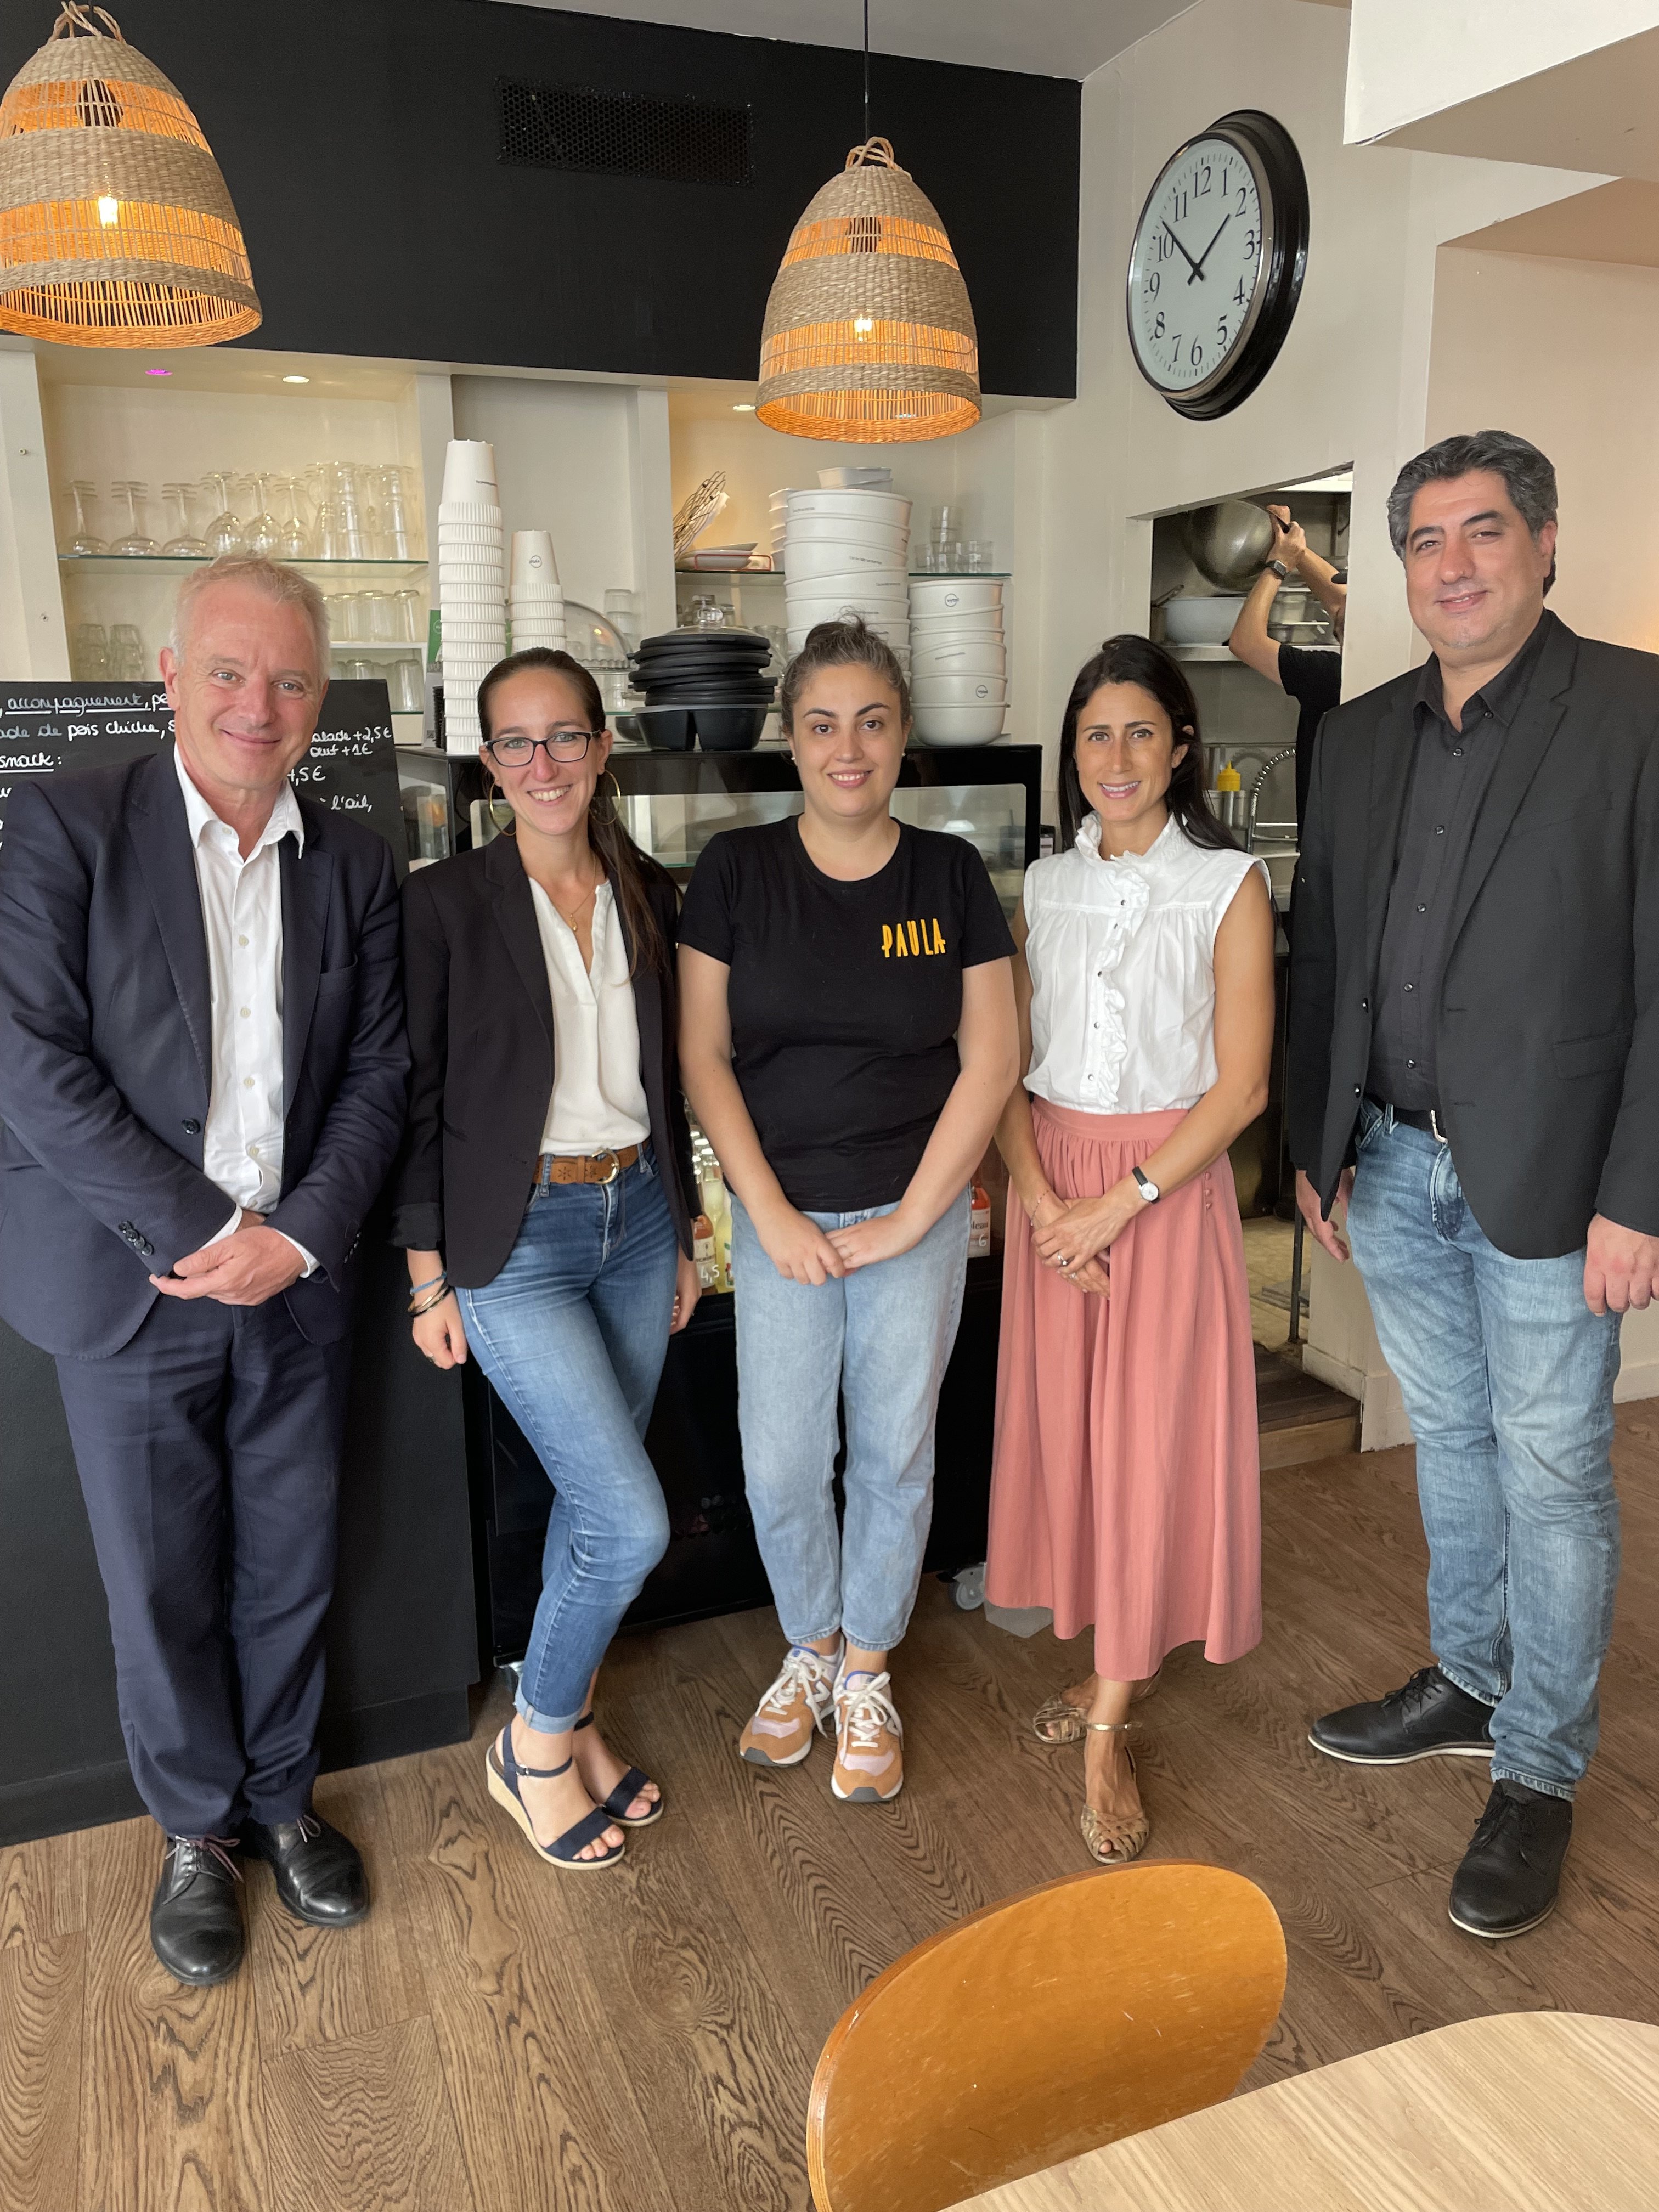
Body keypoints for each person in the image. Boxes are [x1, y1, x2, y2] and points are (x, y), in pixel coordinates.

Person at [0, 557, 408, 1984]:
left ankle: (284, 1801)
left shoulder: (356, 860)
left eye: (290, 681)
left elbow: (378, 1075)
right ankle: (195, 1833)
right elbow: (31, 1066)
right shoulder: (64, 824)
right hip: (134, 1287)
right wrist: (201, 1231)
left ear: (319, 698)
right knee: (160, 1585)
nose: (259, 706)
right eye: (229, 673)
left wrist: (292, 1239)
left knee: (291, 1566)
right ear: (170, 676)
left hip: (297, 1282)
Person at [1289, 429, 1659, 1941]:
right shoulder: (1360, 736)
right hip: (1388, 1159)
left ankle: (1540, 1770)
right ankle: (1472, 1680)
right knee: (1449, 1440)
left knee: (1555, 1468)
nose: (1454, 564)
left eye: (1484, 531)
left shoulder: (1635, 711)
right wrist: (1313, 1146)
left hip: (1560, 1181)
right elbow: (1325, 956)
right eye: (1426, 540)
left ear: (1545, 542)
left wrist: (1641, 1195)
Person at [677, 617, 1018, 1803]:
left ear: (903, 733)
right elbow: (703, 1054)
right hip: (781, 1221)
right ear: (791, 738)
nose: (848, 748)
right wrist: (766, 1211)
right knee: (779, 1461)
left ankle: (866, 1664)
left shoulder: (949, 875)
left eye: (872, 722)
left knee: (892, 1451)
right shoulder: (735, 870)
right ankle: (809, 1646)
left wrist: (914, 1217)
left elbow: (991, 1057)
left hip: (913, 1216)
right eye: (822, 724)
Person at [392, 648, 700, 1872]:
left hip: (638, 1221)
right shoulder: (444, 903)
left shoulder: (649, 890)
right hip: (513, 1239)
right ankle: (531, 1745)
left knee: (590, 1501)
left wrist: (685, 1229)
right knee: (627, 1520)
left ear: (602, 744)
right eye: (515, 743)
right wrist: (426, 1275)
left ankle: (571, 1725)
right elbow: (415, 1100)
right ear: (487, 764)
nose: (543, 764)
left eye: (564, 736)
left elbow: (669, 1080)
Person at [986, 636, 1275, 1864]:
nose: (1116, 757)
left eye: (1140, 732)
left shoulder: (1226, 884)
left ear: (1181, 747)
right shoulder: (1043, 886)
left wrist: (1119, 1203)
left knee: (1150, 1441)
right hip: (1051, 1186)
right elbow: (1001, 1060)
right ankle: (1115, 1649)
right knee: (1075, 1439)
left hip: (1165, 1189)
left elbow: (1242, 1085)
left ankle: (1108, 1724)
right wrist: (1042, 1202)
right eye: (1095, 734)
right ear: (1072, 753)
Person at [1227, 504, 1346, 834]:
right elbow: (1340, 601)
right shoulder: (1384, 670)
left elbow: (1245, 642)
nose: (1342, 602)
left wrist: (1279, 566)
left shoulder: (1332, 677)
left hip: (1325, 857)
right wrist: (1293, 544)